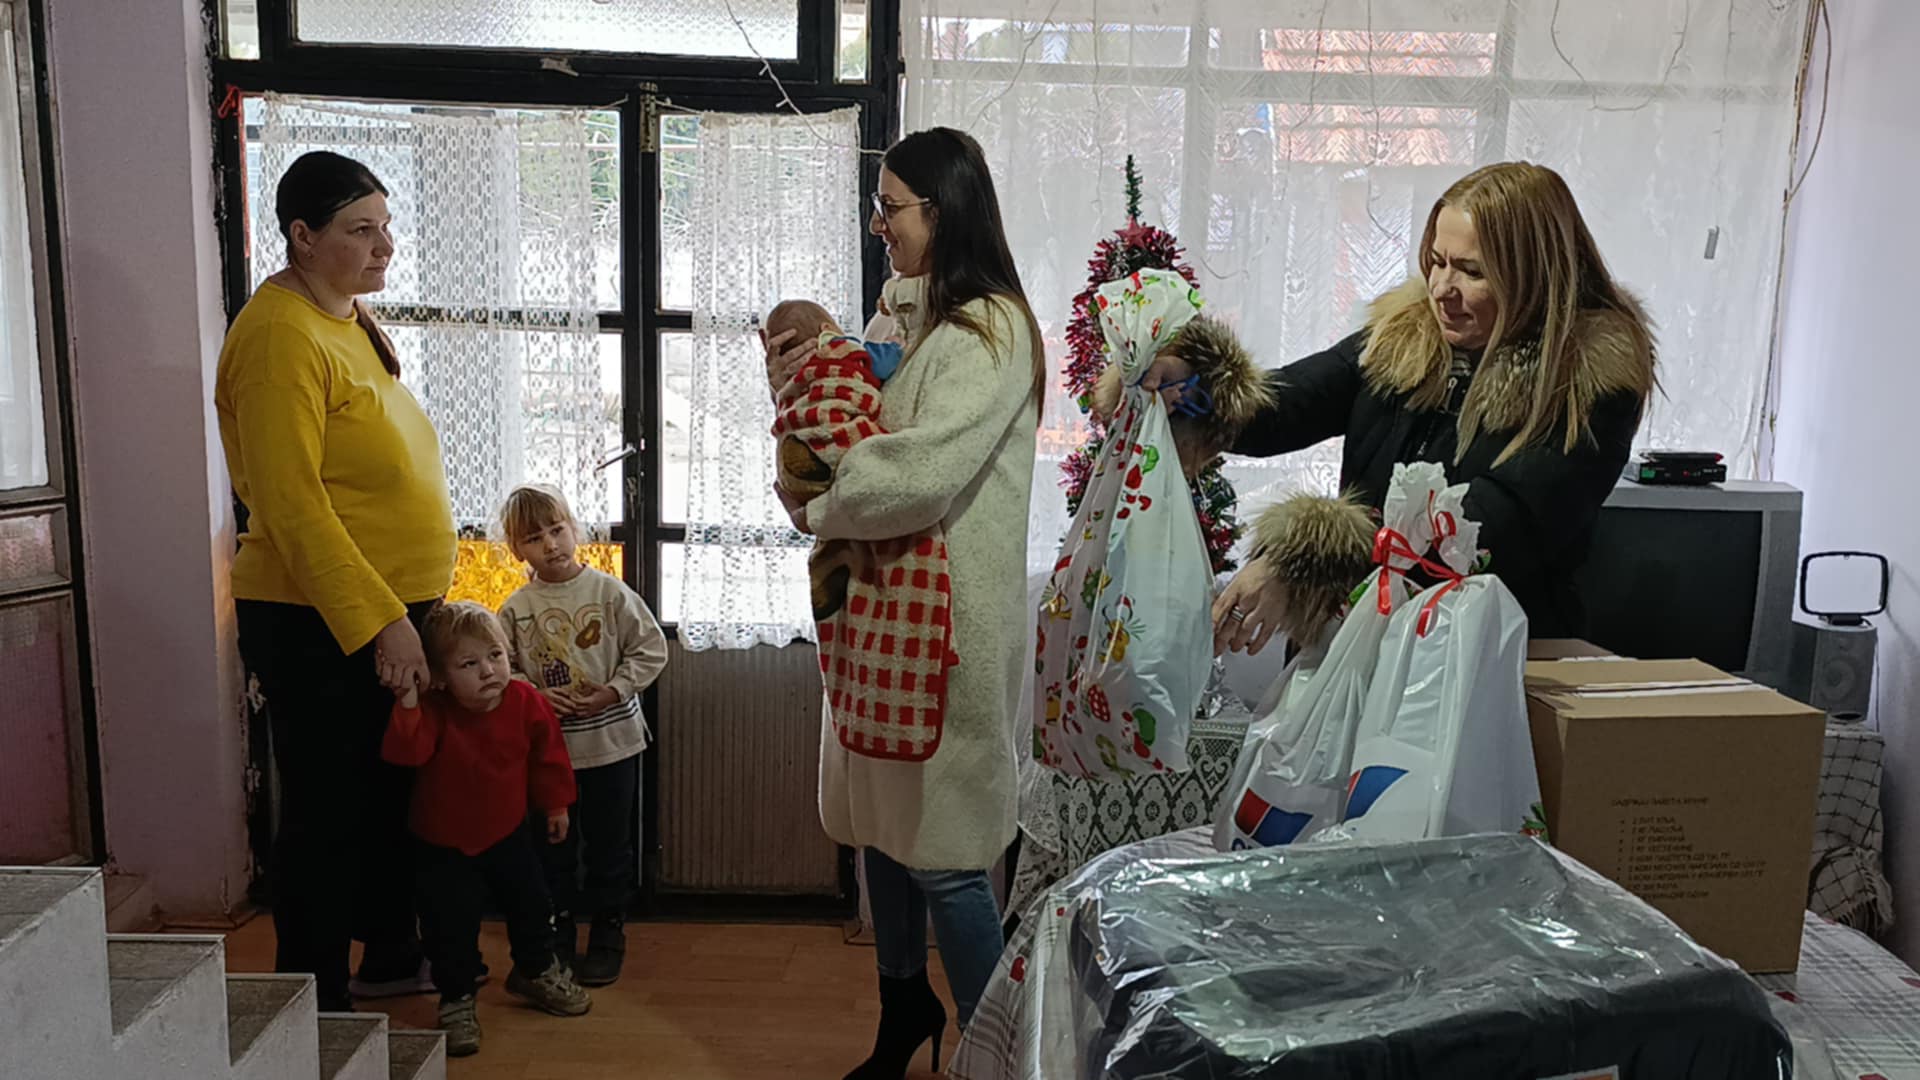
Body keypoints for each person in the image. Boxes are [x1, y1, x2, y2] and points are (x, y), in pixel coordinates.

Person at [762, 127, 1043, 1080]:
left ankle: (997, 1052)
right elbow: (848, 419)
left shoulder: (990, 333)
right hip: (880, 611)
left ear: (945, 209)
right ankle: (903, 1011)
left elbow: (916, 473)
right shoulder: (904, 317)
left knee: (948, 854)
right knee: (881, 833)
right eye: (877, 206)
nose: (878, 224)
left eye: (892, 207)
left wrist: (815, 497)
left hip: (947, 625)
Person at [1143, 162, 1656, 652]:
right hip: (1362, 643)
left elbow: (1493, 523)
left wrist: (1303, 565)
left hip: (1488, 661)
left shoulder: (1587, 385)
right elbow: (1282, 405)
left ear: (1534, 277)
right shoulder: (1400, 338)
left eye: (1471, 271)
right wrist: (1189, 386)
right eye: (1436, 261)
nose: (1442, 289)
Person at [215, 150, 455, 1011]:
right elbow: (290, 506)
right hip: (317, 617)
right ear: (302, 236)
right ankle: (310, 1003)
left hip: (382, 607)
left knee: (387, 794)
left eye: (385, 226)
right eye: (360, 229)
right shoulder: (278, 338)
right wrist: (380, 621)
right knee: (327, 810)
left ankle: (389, 954)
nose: (384, 245)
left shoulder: (342, 317)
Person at [381, 602, 591, 1057]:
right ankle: (456, 998)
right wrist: (408, 701)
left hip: (508, 832)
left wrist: (556, 805)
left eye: (495, 656)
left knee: (532, 906)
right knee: (449, 927)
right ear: (440, 677)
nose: (488, 670)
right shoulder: (434, 710)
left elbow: (549, 757)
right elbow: (406, 754)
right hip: (442, 843)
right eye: (469, 664)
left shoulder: (526, 701)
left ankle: (535, 971)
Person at [496, 485, 667, 987]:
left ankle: (609, 933)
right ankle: (559, 935)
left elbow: (650, 649)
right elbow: (503, 670)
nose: (550, 545)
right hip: (550, 756)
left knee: (610, 847)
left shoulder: (609, 592)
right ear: (516, 549)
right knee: (553, 849)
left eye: (557, 530)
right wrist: (536, 697)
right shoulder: (517, 608)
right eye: (534, 538)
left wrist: (613, 691)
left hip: (613, 745)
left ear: (575, 529)